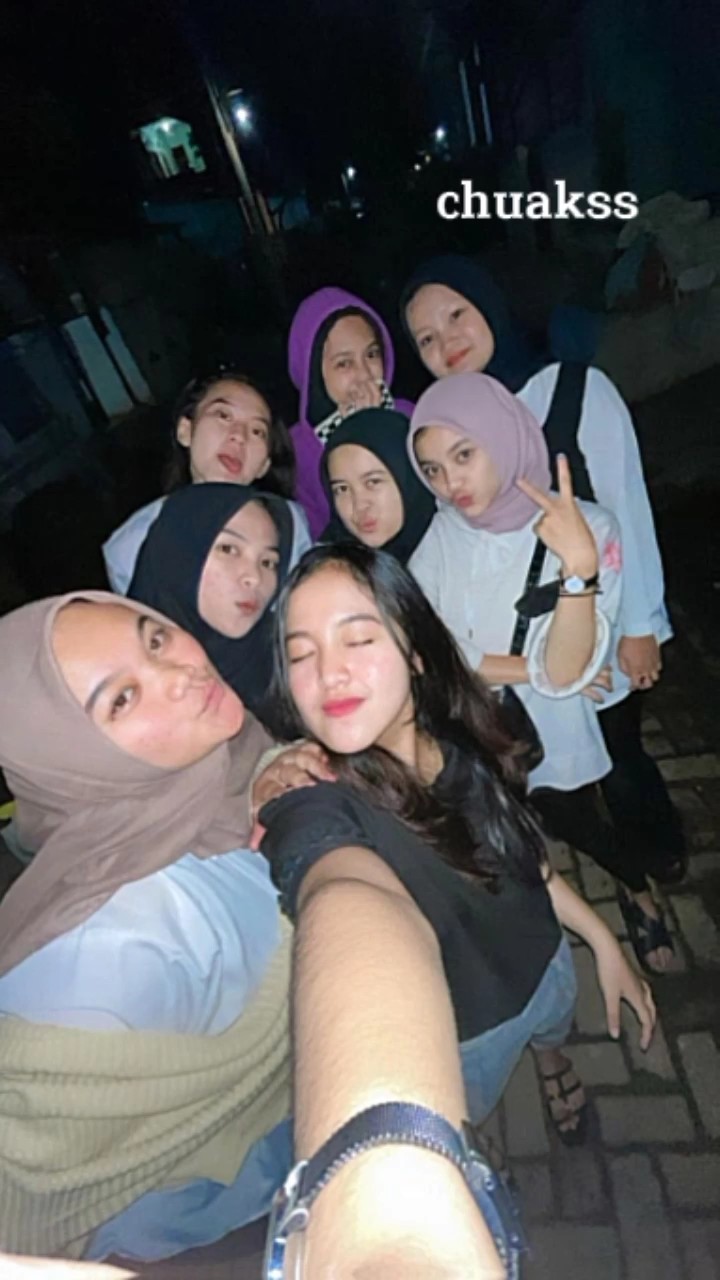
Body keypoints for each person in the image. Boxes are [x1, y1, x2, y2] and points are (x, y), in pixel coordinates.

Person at [259, 544, 656, 1152]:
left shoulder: (466, 733)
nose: (329, 673)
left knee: (552, 1032)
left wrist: (601, 939)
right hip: (465, 1034)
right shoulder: (319, 800)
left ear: (416, 652)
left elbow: (524, 859)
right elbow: (328, 879)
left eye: (357, 639)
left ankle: (552, 1064)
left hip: (547, 961)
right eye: (300, 654)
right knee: (467, 1124)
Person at [402, 255, 686, 956]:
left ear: (490, 307)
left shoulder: (575, 389)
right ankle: (630, 872)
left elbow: (626, 505)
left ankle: (657, 848)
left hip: (604, 612)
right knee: (560, 773)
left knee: (621, 755)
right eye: (426, 338)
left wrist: (642, 625)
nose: (445, 343)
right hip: (523, 650)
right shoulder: (444, 425)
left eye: (456, 316)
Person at [0, 592, 296, 1263]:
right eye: (122, 699)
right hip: (213, 1210)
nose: (180, 673)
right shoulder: (107, 953)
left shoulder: (220, 765)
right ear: (71, 761)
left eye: (155, 639)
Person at [103, 368, 311, 594]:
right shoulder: (134, 543)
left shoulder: (291, 526)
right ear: (185, 431)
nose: (239, 436)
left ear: (264, 465)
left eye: (257, 431)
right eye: (223, 416)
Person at [128, 485, 293, 721]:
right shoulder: (120, 679)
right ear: (178, 554)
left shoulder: (291, 663)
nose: (254, 578)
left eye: (268, 562)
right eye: (228, 549)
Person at [287, 287, 414, 537]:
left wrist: (380, 428)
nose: (365, 374)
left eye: (372, 354)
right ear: (313, 372)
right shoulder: (297, 449)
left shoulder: (408, 416)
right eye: (344, 363)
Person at [320, 407, 436, 564]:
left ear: (410, 476)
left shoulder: (457, 551)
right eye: (342, 489)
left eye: (373, 482)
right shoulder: (326, 568)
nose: (359, 506)